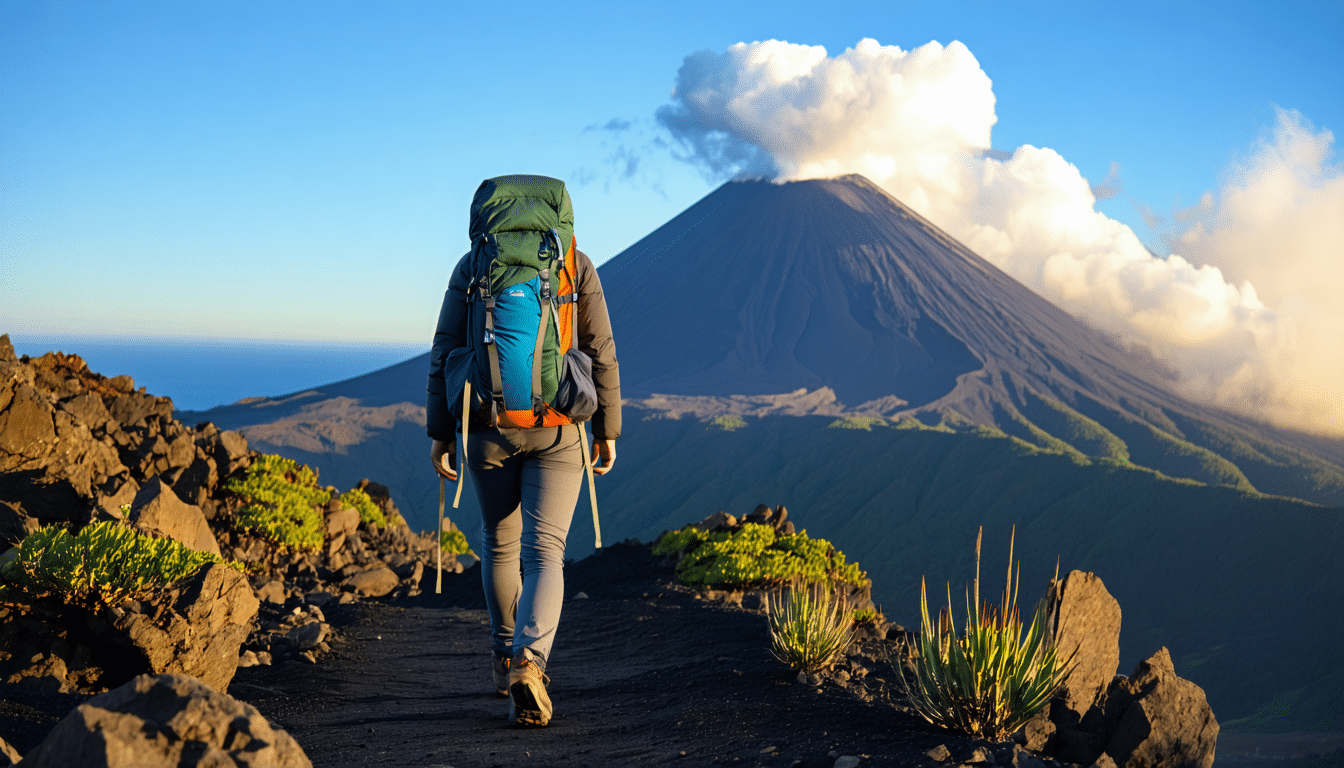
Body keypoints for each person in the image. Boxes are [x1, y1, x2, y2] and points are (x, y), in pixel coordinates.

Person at [425, 181, 620, 728]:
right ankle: (530, 665)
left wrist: (441, 432)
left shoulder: (473, 267)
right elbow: (600, 348)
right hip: (559, 426)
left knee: (499, 542)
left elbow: (444, 349)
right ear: (558, 220)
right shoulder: (573, 266)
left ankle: (501, 655)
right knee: (546, 551)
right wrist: (608, 427)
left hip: (486, 424)